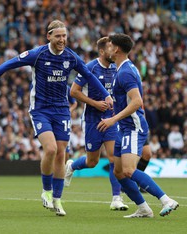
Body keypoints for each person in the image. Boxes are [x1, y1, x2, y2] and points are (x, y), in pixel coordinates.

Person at [0, 20, 112, 216]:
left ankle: (57, 199)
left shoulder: (71, 57)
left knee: (61, 153)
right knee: (51, 148)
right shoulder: (37, 54)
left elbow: (89, 76)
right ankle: (46, 191)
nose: (62, 39)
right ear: (49, 36)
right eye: (58, 36)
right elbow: (7, 64)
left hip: (62, 110)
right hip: (40, 109)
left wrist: (105, 94)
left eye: (64, 36)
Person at [97, 33, 179, 218]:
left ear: (116, 49)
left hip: (133, 127)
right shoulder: (124, 69)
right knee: (118, 172)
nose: (106, 49)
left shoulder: (125, 72)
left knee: (127, 170)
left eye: (109, 46)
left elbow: (136, 101)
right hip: (124, 129)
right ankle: (143, 208)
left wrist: (113, 119)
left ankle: (166, 200)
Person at [65, 37, 129, 211]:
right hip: (93, 120)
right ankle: (71, 166)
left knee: (114, 158)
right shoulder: (90, 67)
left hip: (111, 120)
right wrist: (94, 103)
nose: (114, 51)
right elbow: (74, 91)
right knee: (92, 161)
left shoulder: (118, 67)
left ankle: (117, 198)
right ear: (102, 52)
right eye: (111, 48)